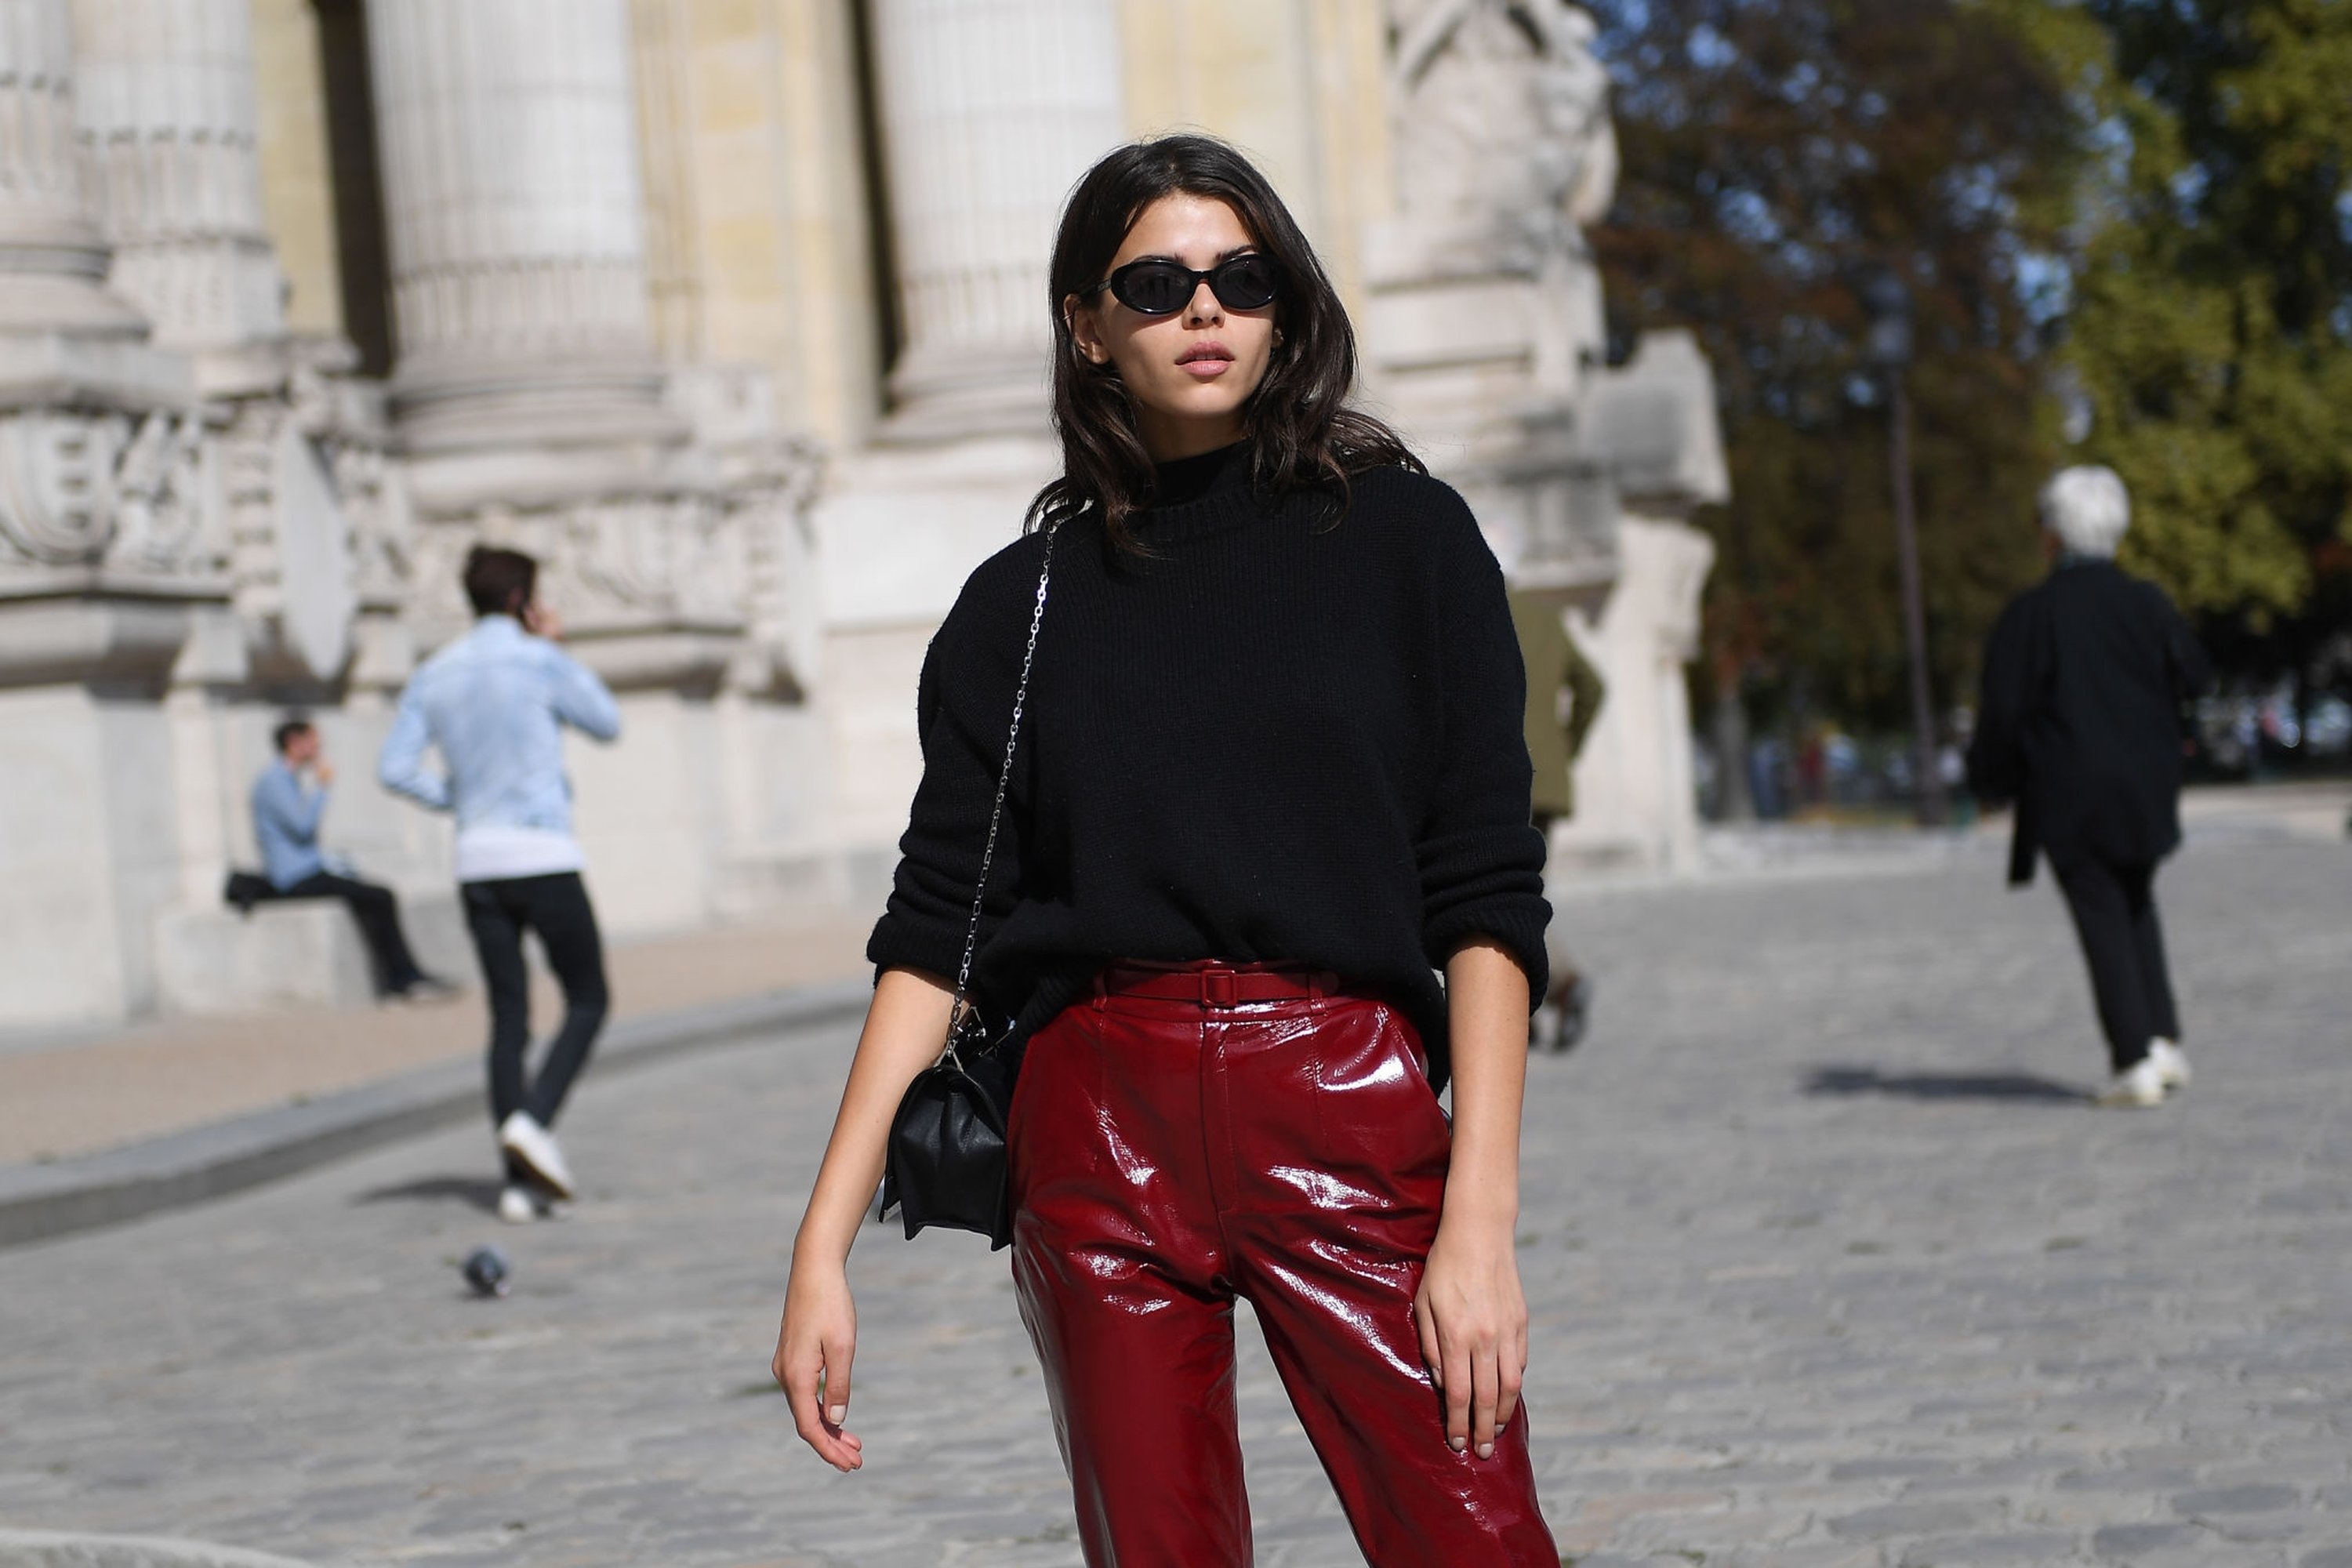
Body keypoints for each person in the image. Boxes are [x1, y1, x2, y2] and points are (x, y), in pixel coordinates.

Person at [771, 135, 1560, 1565]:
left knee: (1476, 1542)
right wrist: (823, 1243)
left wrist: (1480, 1225)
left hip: (1347, 1103)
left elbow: (1488, 892)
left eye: (1242, 277)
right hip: (1096, 1130)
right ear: (1086, 321)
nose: (1207, 310)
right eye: (1159, 282)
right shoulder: (1020, 605)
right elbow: (938, 927)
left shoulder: (1407, 543)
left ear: (1285, 305)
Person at [379, 546, 622, 1223]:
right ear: (522, 599)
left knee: (509, 1016)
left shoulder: (437, 669)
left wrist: (457, 799)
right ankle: (535, 1122)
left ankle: (517, 1184)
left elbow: (394, 767)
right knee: (588, 997)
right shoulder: (538, 659)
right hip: (541, 850)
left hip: (478, 858)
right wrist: (556, 646)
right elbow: (606, 721)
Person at [1968, 466, 2211, 1109]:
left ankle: (2132, 1057)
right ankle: (2162, 1039)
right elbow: (2196, 674)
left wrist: (1989, 780)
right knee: (2136, 899)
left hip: (2071, 789)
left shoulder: (2033, 616)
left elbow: (2003, 710)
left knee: (2102, 910)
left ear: (2052, 534)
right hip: (2147, 783)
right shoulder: (2147, 603)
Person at [244, 716, 445, 1000]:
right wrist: (322, 787)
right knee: (379, 896)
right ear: (294, 742)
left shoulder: (284, 779)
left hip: (308, 870)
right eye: (313, 740)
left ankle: (401, 976)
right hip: (295, 877)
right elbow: (302, 827)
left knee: (373, 896)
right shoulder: (273, 780)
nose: (319, 747)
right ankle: (401, 977)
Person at [1512, 589, 1604, 1052]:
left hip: (1497, 778)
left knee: (1497, 900)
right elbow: (1592, 686)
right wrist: (1564, 750)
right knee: (1518, 894)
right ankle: (1521, 1004)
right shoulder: (1545, 619)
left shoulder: (1467, 607)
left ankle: (1562, 982)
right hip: (1545, 783)